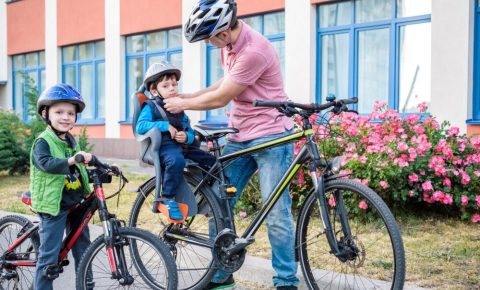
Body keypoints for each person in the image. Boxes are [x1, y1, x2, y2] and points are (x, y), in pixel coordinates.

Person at [164, 0, 299, 289]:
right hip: (240, 136)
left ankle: (286, 281)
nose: (209, 44)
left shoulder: (254, 51)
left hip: (272, 137)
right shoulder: (231, 46)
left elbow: (220, 98)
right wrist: (188, 95)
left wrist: (183, 103)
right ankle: (223, 274)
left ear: (223, 33)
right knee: (218, 203)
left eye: (209, 39)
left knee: (276, 214)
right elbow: (223, 85)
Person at [31, 83, 93, 290]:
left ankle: (86, 286)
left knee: (84, 247)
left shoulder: (70, 141)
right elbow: (46, 163)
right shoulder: (43, 141)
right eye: (59, 112)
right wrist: (73, 160)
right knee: (49, 256)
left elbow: (78, 166)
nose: (65, 117)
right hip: (53, 205)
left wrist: (104, 167)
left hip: (75, 203)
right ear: (45, 113)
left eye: (70, 113)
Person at [136, 61, 216, 220]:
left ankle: (206, 194)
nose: (172, 88)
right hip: (166, 147)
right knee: (176, 161)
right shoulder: (151, 107)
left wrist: (187, 137)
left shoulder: (180, 108)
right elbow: (141, 126)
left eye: (174, 84)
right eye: (166, 86)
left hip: (184, 146)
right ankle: (167, 198)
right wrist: (165, 125)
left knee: (212, 162)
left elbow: (191, 132)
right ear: (154, 90)